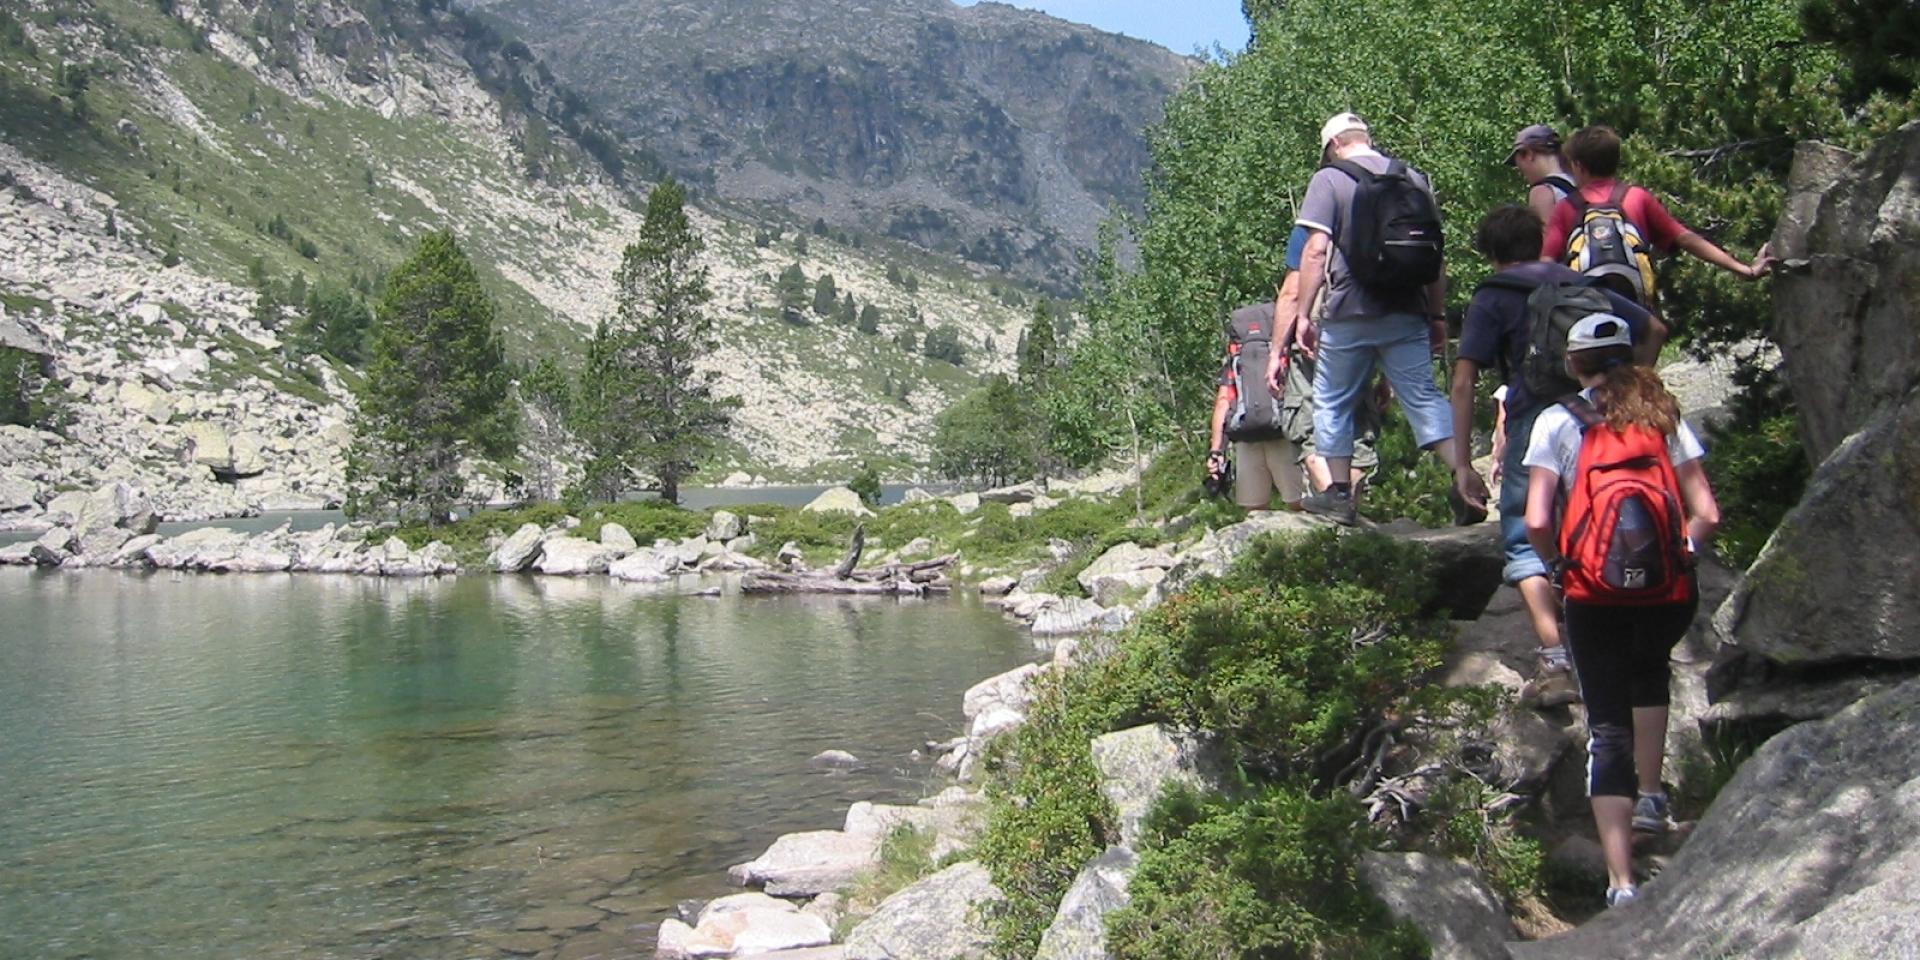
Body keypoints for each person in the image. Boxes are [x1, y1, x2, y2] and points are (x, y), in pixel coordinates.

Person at [1523, 313, 1719, 909]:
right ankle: (1652, 799)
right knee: (1650, 674)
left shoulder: (1558, 421)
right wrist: (1680, 555)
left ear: (1573, 363)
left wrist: (1559, 567)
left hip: (1593, 592)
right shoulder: (1662, 416)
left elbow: (1536, 519)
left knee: (1607, 725)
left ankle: (1621, 883)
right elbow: (1706, 512)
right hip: (1666, 590)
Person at [1452, 204, 1656, 706]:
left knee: (1525, 538)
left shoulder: (1493, 295)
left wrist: (1461, 463)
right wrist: (1634, 390)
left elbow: (1463, 381)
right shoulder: (1577, 282)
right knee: (1603, 524)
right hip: (1600, 419)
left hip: (1534, 422)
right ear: (1538, 242)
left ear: (1490, 252)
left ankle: (1556, 661)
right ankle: (1616, 646)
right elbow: (1653, 329)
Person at [1274, 112, 1484, 525]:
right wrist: (1436, 315)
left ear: (1334, 145)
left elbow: (1315, 252)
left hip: (1350, 311)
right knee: (1423, 398)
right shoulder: (1413, 179)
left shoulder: (1329, 179)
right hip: (1407, 309)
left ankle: (1338, 495)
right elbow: (1435, 256)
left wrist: (1303, 316)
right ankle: (1464, 476)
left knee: (1332, 400)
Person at [1542, 125, 1773, 349]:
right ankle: (1642, 375)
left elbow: (1546, 263)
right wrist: (1744, 270)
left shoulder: (1566, 208)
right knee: (1651, 341)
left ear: (1578, 166)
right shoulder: (1636, 198)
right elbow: (1686, 238)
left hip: (1588, 320)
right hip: (1638, 314)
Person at [1209, 300, 1306, 511]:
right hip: (1283, 433)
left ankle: (1260, 532)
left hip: (1246, 437)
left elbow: (1223, 402)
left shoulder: (1237, 359)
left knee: (1254, 509)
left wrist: (1216, 451)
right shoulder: (1284, 354)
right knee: (1300, 504)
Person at [1505, 124, 1576, 226]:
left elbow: (1546, 234)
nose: (1520, 172)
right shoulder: (1579, 180)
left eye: (1519, 165)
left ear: (1529, 154)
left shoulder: (1543, 191)